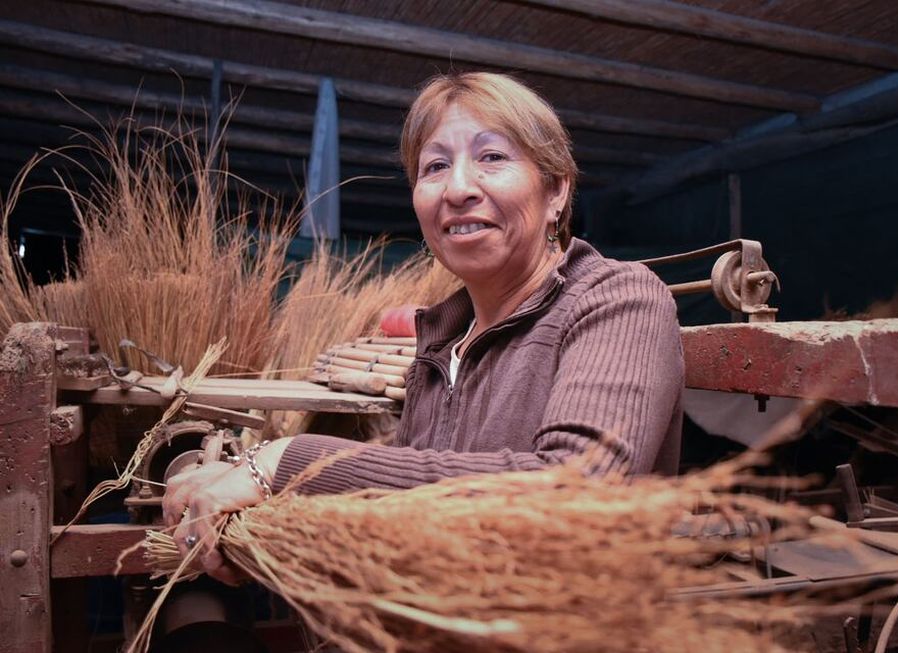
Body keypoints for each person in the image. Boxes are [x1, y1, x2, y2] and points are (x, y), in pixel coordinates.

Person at [164, 72, 684, 584]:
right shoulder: (441, 344)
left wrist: (284, 462)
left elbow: (576, 492)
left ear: (555, 192)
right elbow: (420, 494)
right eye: (435, 167)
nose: (457, 189)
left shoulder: (617, 298)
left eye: (493, 157)